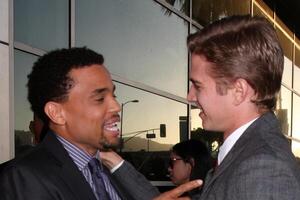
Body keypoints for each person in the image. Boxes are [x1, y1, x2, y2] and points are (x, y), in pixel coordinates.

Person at [0, 47, 162, 200]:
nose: (116, 107)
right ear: (57, 113)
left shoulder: (108, 169)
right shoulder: (25, 176)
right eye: (99, 98)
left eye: (114, 96)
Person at [185, 15, 300, 199]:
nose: (190, 96)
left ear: (239, 91)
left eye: (198, 86)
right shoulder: (247, 155)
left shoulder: (263, 170)